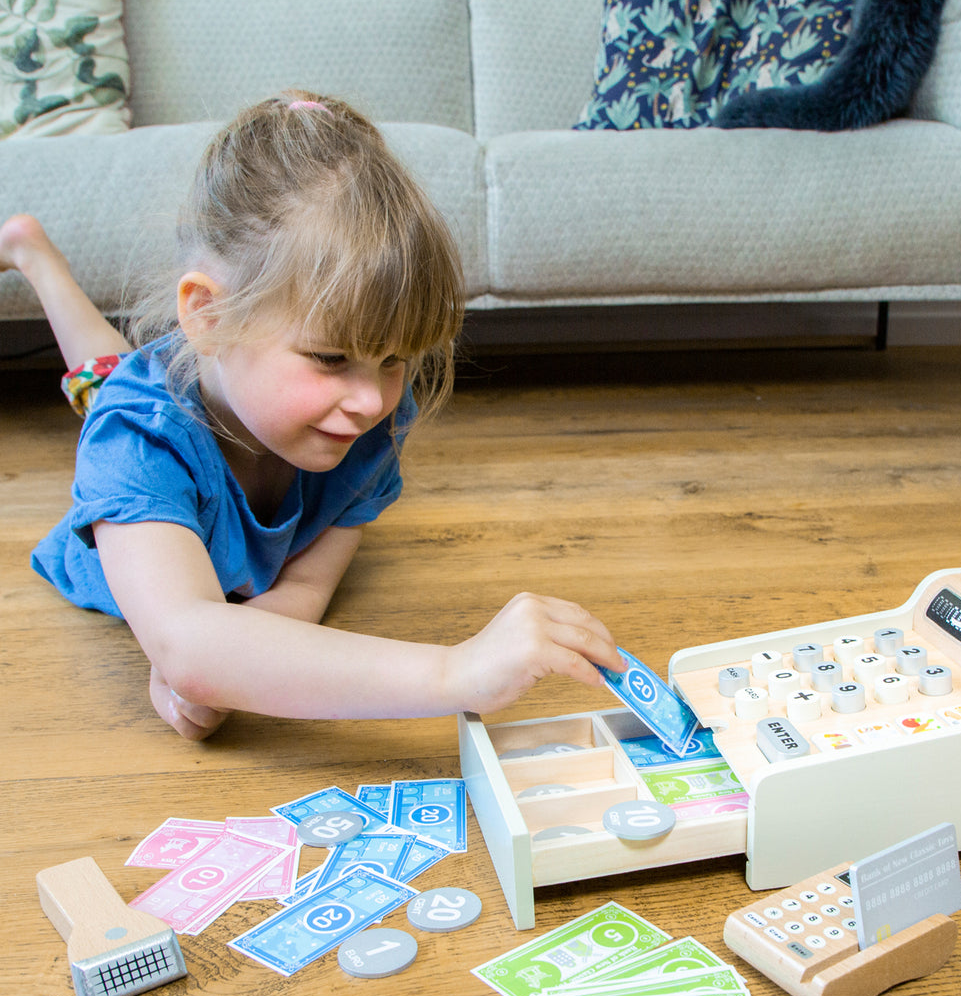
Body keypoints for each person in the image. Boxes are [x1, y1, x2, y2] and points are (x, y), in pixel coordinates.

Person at [1, 91, 623, 740]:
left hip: (192, 397)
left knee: (109, 380)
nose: (372, 400)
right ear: (209, 317)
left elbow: (301, 593)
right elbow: (188, 642)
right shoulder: (135, 443)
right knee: (106, 390)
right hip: (149, 423)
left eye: (393, 359)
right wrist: (455, 670)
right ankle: (36, 259)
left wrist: (230, 661)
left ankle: (29, 251)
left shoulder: (367, 416)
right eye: (330, 357)